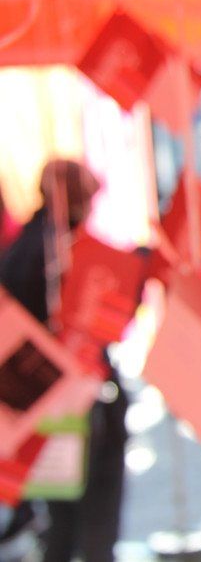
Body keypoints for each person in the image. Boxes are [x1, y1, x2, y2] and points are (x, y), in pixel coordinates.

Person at [0, 159, 129, 562]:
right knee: (94, 525)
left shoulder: (19, 247)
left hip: (41, 410)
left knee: (60, 525)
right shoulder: (63, 252)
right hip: (82, 406)